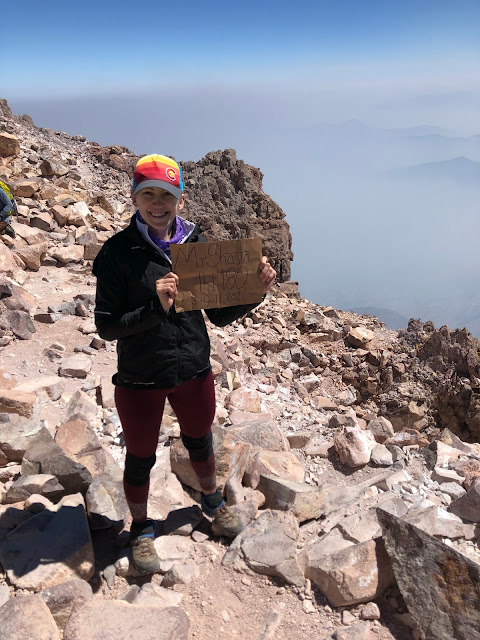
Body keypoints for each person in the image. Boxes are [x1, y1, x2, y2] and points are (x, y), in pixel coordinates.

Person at [93, 154, 276, 573]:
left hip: (193, 367)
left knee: (200, 438)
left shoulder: (194, 248)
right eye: (148, 195)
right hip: (140, 376)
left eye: (166, 196)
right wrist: (155, 308)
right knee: (140, 454)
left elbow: (217, 316)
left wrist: (256, 291)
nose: (158, 204)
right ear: (135, 198)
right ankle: (141, 527)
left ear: (181, 200)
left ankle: (211, 499)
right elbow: (106, 326)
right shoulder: (118, 253)